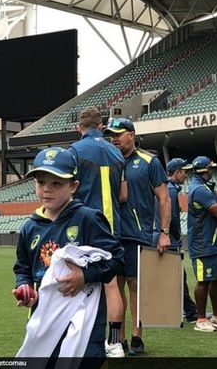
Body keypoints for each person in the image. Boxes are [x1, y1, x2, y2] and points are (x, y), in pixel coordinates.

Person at [13, 147, 124, 359]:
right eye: (41, 182)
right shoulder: (30, 227)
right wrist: (23, 286)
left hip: (85, 318)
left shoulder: (88, 219)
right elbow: (23, 267)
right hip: (45, 317)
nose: (47, 189)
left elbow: (117, 259)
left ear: (73, 186)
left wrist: (85, 275)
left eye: (56, 183)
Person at [104, 118, 171, 355]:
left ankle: (137, 337)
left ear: (131, 134)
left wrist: (163, 233)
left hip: (138, 234)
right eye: (111, 134)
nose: (114, 138)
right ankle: (118, 339)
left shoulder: (149, 161)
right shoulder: (108, 162)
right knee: (115, 286)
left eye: (118, 134)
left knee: (135, 286)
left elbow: (164, 198)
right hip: (112, 235)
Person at [68, 106, 127, 357]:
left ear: (78, 128)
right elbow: (123, 195)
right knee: (112, 285)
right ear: (101, 126)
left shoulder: (74, 151)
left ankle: (77, 339)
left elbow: (70, 191)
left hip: (84, 226)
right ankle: (114, 343)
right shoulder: (117, 152)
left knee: (77, 284)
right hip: (112, 227)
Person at [153, 158, 198, 324]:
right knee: (179, 279)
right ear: (177, 172)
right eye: (183, 171)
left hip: (167, 239)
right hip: (169, 241)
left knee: (176, 279)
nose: (185, 175)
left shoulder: (170, 189)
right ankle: (191, 313)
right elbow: (169, 218)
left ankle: (187, 311)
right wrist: (174, 238)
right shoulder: (170, 190)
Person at [187, 156, 217, 332]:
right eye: (211, 168)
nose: (212, 171)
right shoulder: (199, 189)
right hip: (203, 244)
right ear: (206, 171)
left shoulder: (205, 187)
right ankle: (201, 319)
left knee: (216, 279)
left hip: (214, 242)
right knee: (204, 281)